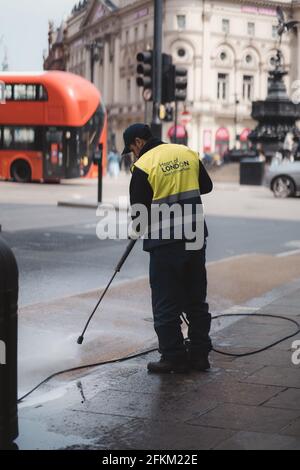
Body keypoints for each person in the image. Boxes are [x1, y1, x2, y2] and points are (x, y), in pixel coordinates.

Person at [122, 123, 213, 374]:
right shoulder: (186, 152)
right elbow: (206, 187)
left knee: (165, 302)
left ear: (138, 142)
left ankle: (173, 357)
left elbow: (139, 217)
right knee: (196, 298)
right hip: (194, 236)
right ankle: (199, 355)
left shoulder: (143, 166)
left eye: (131, 149)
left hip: (165, 242)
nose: (133, 154)